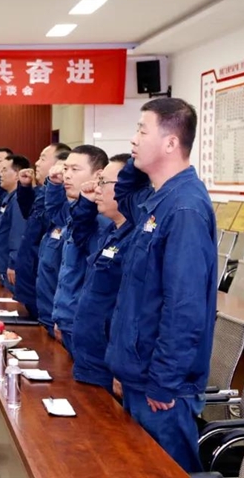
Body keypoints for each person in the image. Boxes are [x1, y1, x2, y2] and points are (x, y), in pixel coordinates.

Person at [106, 98, 217, 472]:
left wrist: (164, 382)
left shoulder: (184, 207)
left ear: (171, 143)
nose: (133, 139)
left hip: (162, 389)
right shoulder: (158, 199)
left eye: (142, 130)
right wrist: (137, 164)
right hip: (140, 374)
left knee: (168, 470)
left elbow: (184, 306)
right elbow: (124, 193)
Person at [70, 153, 141, 395]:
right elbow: (80, 236)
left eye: (104, 183)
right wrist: (86, 205)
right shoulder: (111, 232)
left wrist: (122, 365)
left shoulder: (135, 240)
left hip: (108, 361)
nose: (97, 189)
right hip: (89, 355)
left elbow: (131, 309)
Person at [50, 145, 110, 354]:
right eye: (66, 169)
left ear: (98, 176)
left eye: (75, 170)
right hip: (66, 320)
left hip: (83, 326)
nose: (67, 175)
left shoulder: (102, 221)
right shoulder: (77, 212)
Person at [13, 144, 71, 319]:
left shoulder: (63, 198)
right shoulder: (42, 191)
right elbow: (30, 216)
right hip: (31, 279)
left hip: (41, 279)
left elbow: (49, 220)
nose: (36, 163)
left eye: (43, 158)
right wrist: (25, 189)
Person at [34, 151, 72, 336]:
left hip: (63, 319)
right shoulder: (59, 216)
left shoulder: (89, 220)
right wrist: (52, 185)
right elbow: (48, 210)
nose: (66, 176)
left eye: (73, 169)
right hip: (47, 310)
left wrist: (62, 318)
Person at [0, 154, 31, 293]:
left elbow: (18, 233)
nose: (0, 174)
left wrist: (13, 263)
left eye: (5, 170)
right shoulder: (9, 197)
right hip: (3, 265)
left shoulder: (19, 200)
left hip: (11, 268)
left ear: (17, 175)